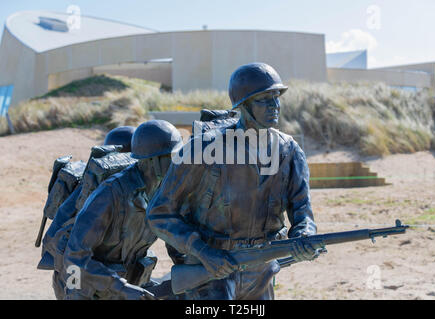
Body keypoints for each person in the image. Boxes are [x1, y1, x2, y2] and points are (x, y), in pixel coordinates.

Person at [146, 62, 324, 300]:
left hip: (261, 271)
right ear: (244, 105)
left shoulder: (289, 151)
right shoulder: (204, 149)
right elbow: (159, 213)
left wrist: (304, 236)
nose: (275, 105)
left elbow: (302, 210)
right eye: (264, 99)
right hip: (213, 270)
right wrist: (203, 251)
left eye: (276, 97)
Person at [61, 120, 183, 300]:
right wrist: (121, 288)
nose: (178, 163)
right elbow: (74, 257)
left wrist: (198, 268)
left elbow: (177, 242)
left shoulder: (165, 193)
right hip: (89, 287)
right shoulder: (110, 194)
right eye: (172, 157)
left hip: (130, 285)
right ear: (152, 161)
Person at [38, 126, 137, 299]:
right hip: (72, 271)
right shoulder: (89, 186)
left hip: (102, 273)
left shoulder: (127, 189)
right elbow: (57, 236)